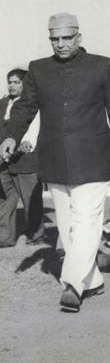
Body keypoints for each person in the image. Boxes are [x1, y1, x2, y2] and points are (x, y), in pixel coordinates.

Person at [0, 13, 110, 312]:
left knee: (86, 220)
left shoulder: (102, 65)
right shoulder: (38, 69)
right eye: (54, 39)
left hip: (93, 159)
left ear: (79, 37)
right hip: (56, 159)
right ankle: (93, 282)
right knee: (68, 225)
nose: (60, 44)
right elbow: (25, 109)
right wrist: (10, 136)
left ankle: (72, 284)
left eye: (66, 38)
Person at [0, 69, 44, 248]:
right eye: (10, 82)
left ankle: (35, 235)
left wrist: (26, 143)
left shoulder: (33, 105)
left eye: (17, 82)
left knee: (30, 198)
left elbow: (36, 128)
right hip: (3, 161)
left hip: (26, 158)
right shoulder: (2, 103)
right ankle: (5, 237)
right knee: (5, 199)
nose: (12, 85)